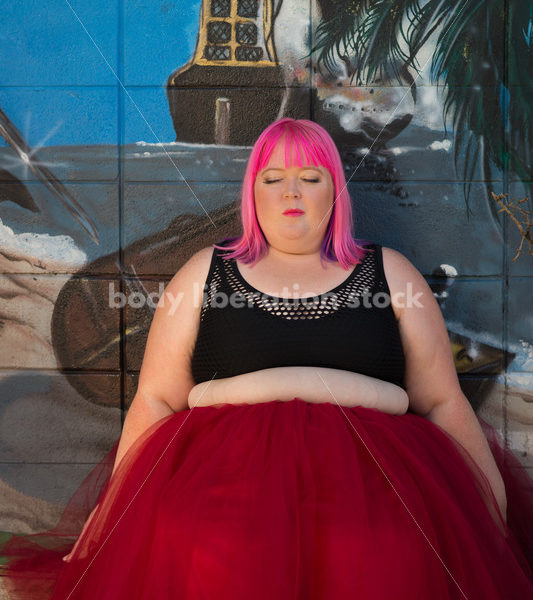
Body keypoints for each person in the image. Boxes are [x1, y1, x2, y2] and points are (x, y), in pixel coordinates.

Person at [1, 118, 533, 599]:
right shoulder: (202, 273)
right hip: (218, 484)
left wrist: (491, 509)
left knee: (382, 552)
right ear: (251, 193)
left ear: (336, 193)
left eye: (311, 177)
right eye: (272, 178)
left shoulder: (392, 274)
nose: (291, 192)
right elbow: (158, 397)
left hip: (377, 488)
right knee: (210, 550)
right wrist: (110, 514)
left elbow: (442, 398)